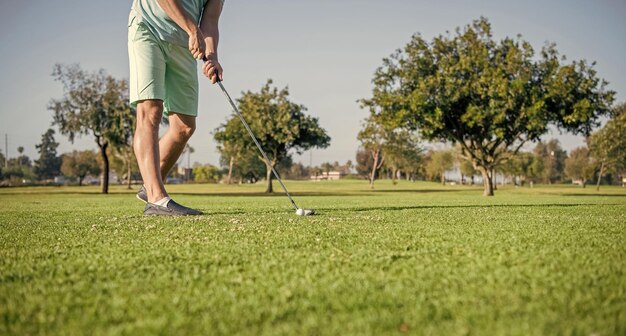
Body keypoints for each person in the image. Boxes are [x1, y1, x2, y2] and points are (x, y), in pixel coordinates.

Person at [128, 0, 224, 216]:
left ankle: (150, 185)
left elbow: (209, 20)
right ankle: (156, 199)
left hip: (185, 43)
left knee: (184, 126)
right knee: (151, 111)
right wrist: (192, 29)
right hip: (149, 28)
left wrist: (212, 58)